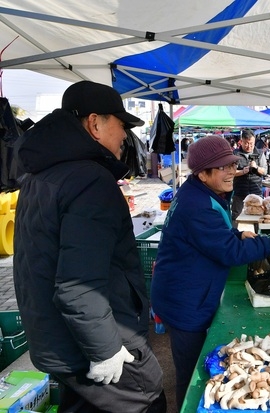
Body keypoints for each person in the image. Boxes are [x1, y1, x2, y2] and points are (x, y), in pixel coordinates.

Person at [13, 80, 167, 412]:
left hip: (59, 341)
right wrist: (107, 351)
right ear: (95, 123)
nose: (126, 135)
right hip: (94, 341)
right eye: (121, 124)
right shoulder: (89, 180)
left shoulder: (39, 177)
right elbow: (76, 286)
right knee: (149, 397)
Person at [150, 136, 270, 410]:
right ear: (203, 173)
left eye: (232, 164)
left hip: (188, 291)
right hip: (184, 300)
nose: (232, 171)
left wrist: (235, 233)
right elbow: (230, 252)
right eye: (223, 167)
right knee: (192, 372)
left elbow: (212, 236)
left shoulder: (202, 193)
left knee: (192, 362)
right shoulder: (197, 204)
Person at [231, 129, 268, 222]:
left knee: (256, 219)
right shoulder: (235, 154)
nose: (249, 146)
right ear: (241, 141)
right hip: (239, 193)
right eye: (246, 143)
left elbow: (265, 171)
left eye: (251, 143)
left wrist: (256, 168)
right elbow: (230, 172)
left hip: (256, 192)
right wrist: (242, 171)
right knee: (237, 219)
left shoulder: (260, 153)